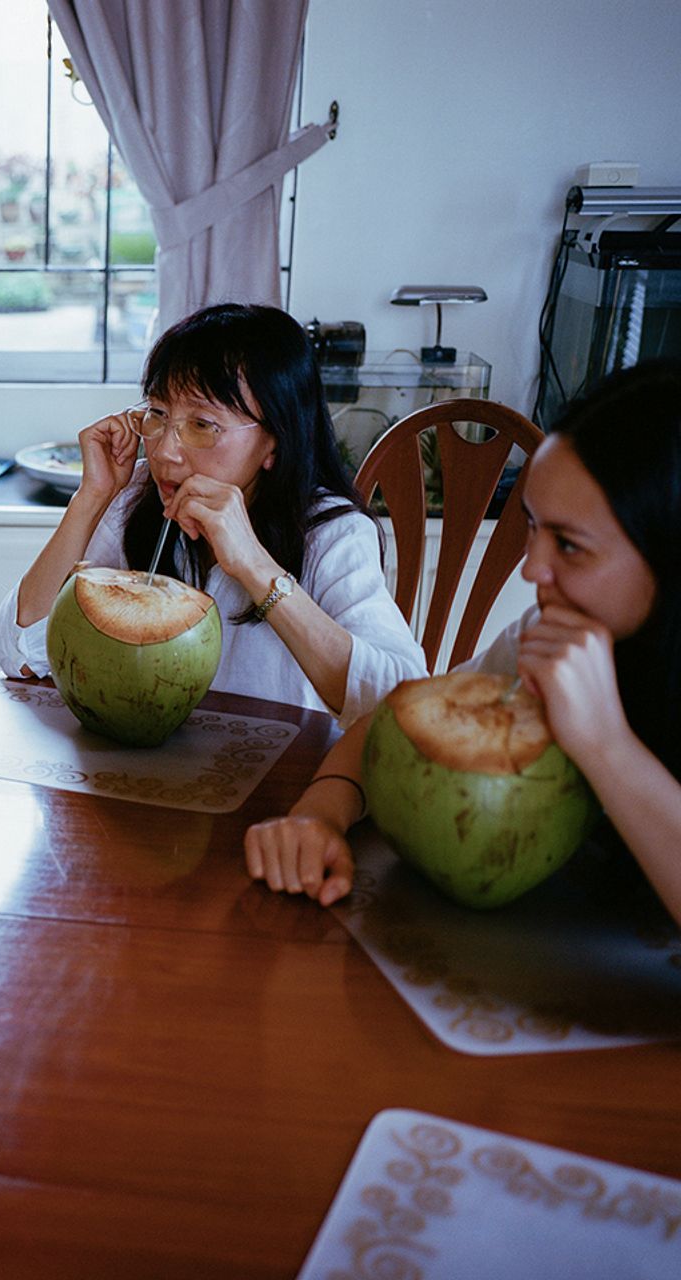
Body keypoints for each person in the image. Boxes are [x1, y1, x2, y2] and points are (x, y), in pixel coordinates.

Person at [244, 361, 681, 927]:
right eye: (532, 526)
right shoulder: (542, 640)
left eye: (570, 546)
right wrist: (320, 814)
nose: (533, 569)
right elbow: (397, 720)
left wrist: (605, 743)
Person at [0, 302, 425, 725]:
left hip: (274, 778)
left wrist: (255, 566)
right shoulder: (133, 501)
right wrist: (92, 496)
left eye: (202, 425)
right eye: (158, 414)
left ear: (274, 440)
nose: (164, 451)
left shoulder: (333, 534)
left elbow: (402, 703)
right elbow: (19, 655)